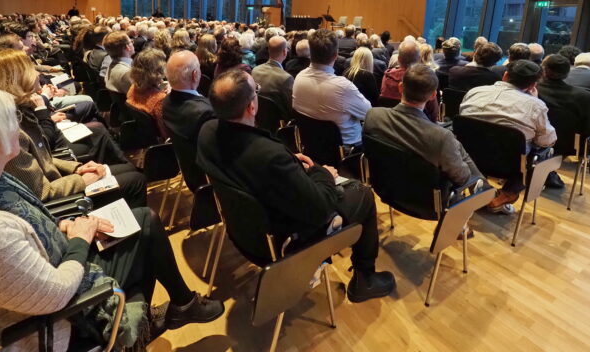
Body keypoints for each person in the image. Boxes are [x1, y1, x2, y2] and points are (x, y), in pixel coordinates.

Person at [0, 85, 223, 352]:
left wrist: (61, 229)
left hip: (42, 273)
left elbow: (25, 229)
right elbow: (56, 294)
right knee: (145, 230)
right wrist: (79, 241)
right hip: (59, 323)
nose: (19, 125)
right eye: (9, 118)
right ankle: (135, 328)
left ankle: (179, 307)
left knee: (143, 219)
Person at [197, 70, 395, 302]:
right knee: (363, 193)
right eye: (257, 91)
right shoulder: (269, 157)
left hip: (245, 233)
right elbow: (320, 209)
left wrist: (290, 162)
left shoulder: (207, 132)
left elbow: (250, 165)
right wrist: (323, 174)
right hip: (284, 242)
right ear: (251, 106)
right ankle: (365, 278)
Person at [0, 49, 146, 206]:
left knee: (129, 170)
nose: (37, 73)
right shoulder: (8, 131)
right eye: (30, 69)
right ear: (14, 80)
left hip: (60, 180)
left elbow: (41, 159)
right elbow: (41, 193)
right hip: (62, 201)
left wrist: (75, 168)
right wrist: (81, 180)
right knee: (135, 180)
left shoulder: (19, 113)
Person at [459, 60, 557, 212]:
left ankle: (478, 185)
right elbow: (547, 141)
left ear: (505, 76)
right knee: (540, 152)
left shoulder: (474, 92)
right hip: (509, 167)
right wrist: (535, 100)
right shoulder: (536, 105)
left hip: (468, 158)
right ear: (532, 86)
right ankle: (508, 192)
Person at [364, 65, 483, 185]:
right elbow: (462, 178)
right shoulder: (442, 138)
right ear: (432, 96)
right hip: (427, 200)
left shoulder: (373, 116)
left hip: (386, 187)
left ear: (400, 88)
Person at [293, 29, 371, 147]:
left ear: (311, 53)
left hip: (310, 145)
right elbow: (368, 114)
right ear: (336, 55)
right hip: (347, 153)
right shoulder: (343, 87)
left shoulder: (299, 77)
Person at [538, 55, 590, 174]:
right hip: (571, 147)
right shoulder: (584, 96)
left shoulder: (532, 90)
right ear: (568, 72)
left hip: (536, 141)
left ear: (543, 70)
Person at [162, 51, 215, 191]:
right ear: (195, 74)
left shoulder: (166, 102)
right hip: (210, 181)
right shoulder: (206, 112)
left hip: (190, 173)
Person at [127, 49, 170, 139]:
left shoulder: (132, 88)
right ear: (157, 72)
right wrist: (169, 98)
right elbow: (166, 134)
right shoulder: (159, 100)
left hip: (143, 136)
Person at [251, 35, 295, 117]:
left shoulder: (255, 70)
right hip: (278, 123)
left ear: (268, 50)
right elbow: (291, 109)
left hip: (257, 118)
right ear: (285, 52)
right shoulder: (286, 78)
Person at [104, 31, 134, 95]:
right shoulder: (127, 73)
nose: (132, 43)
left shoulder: (111, 65)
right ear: (127, 47)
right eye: (131, 42)